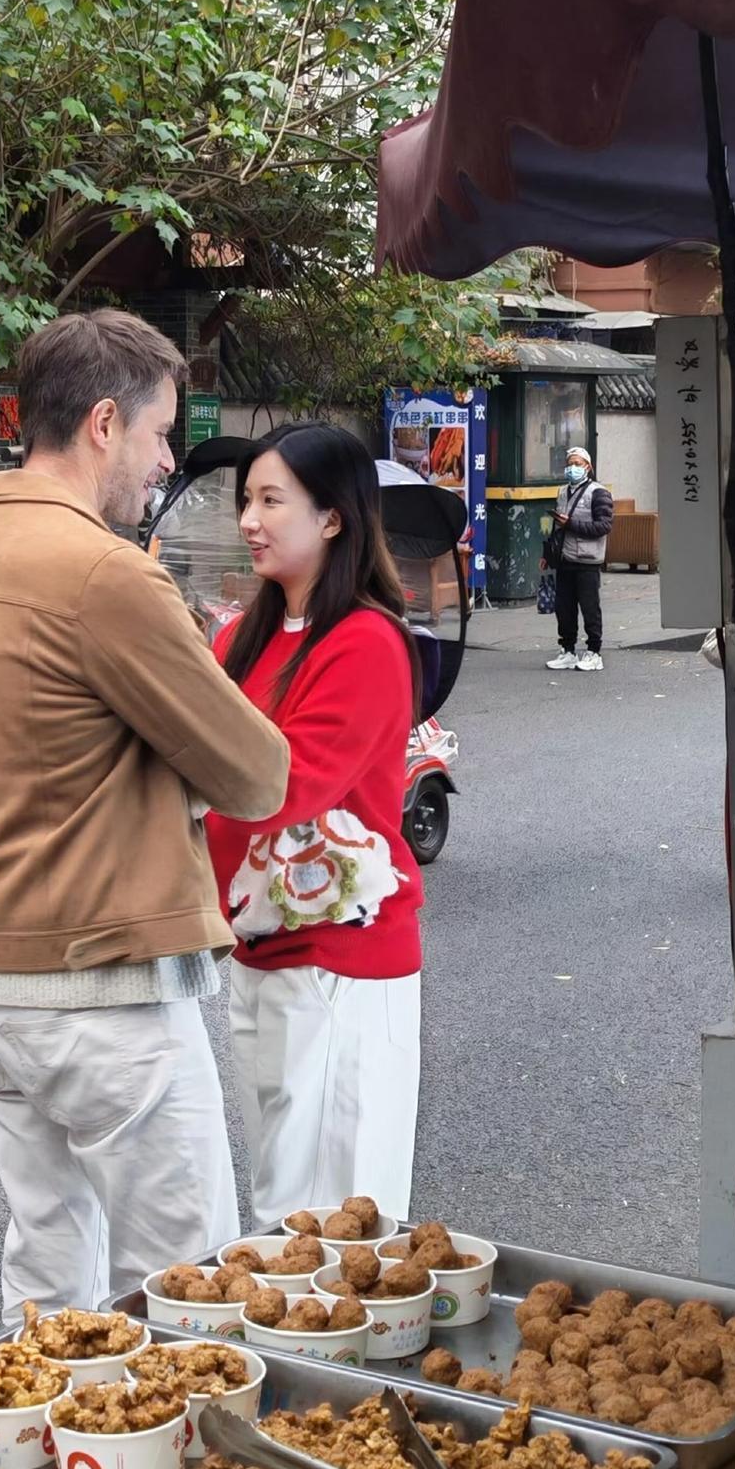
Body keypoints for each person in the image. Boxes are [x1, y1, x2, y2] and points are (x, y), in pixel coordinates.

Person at [0, 309, 290, 1315]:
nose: (165, 460)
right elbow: (256, 774)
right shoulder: (103, 572)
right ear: (101, 424)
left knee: (50, 1277)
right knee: (190, 1290)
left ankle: (43, 1417)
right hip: (105, 978)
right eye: (159, 432)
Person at [202, 424, 424, 1228]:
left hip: (342, 957)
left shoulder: (366, 640)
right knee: (280, 1203)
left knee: (336, 1218)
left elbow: (287, 784)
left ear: (333, 517)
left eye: (272, 501)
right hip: (257, 943)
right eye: (246, 501)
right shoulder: (239, 636)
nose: (249, 521)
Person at [545, 446, 614, 673]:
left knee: (589, 608)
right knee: (564, 609)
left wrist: (571, 524)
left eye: (577, 464)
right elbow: (557, 527)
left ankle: (594, 652)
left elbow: (604, 526)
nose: (572, 468)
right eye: (569, 464)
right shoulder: (562, 491)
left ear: (588, 467)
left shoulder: (599, 493)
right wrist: (547, 554)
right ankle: (568, 650)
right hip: (565, 558)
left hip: (587, 561)